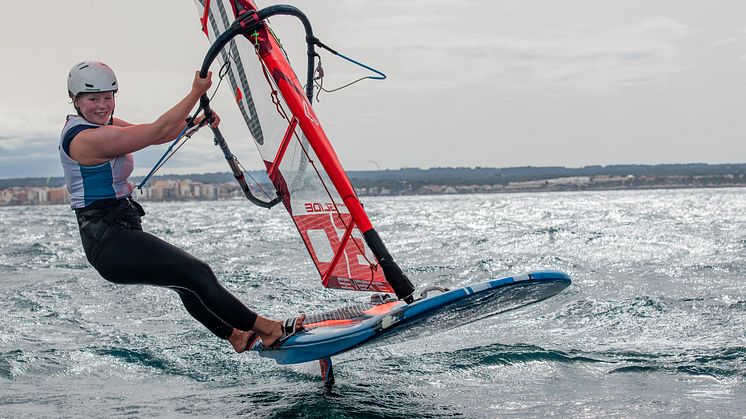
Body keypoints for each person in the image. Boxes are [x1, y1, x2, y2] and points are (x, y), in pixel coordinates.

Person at [59, 60, 303, 353]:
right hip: (107, 240)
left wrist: (195, 122)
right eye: (92, 99)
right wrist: (195, 93)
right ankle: (267, 329)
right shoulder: (85, 138)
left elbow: (158, 133)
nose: (102, 105)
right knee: (196, 273)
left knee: (184, 281)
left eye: (108, 97)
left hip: (119, 230)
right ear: (75, 100)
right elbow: (154, 132)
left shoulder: (102, 124)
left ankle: (235, 336)